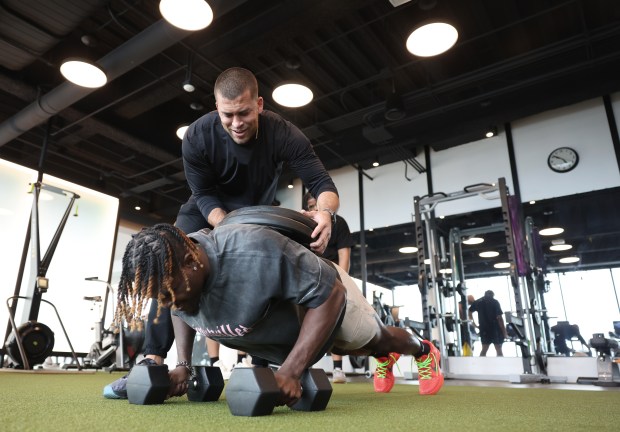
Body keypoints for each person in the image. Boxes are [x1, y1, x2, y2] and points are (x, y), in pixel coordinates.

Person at [104, 67, 339, 398]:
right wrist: (226, 224)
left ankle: (263, 363)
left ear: (259, 104)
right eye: (228, 114)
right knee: (166, 268)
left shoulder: (284, 133)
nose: (236, 122)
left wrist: (325, 213)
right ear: (217, 109)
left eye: (244, 112)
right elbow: (203, 194)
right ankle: (152, 361)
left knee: (268, 272)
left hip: (258, 211)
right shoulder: (198, 136)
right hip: (205, 209)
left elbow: (321, 183)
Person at [114, 223, 444, 404]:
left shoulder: (254, 251)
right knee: (345, 348)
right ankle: (383, 356)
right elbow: (179, 309)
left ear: (192, 263)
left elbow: (332, 295)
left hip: (323, 286)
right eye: (164, 298)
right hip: (291, 318)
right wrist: (183, 366)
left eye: (175, 293)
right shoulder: (176, 275)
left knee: (375, 339)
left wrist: (289, 371)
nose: (173, 302)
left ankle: (424, 351)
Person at [303, 191, 354, 385]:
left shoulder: (339, 223)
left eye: (317, 204)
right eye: (310, 206)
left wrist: (343, 280)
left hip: (332, 274)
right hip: (309, 276)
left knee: (335, 322)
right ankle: (303, 365)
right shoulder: (304, 223)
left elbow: (344, 255)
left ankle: (338, 368)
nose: (315, 209)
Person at [468, 290, 509, 357]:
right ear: (493, 295)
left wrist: (473, 323)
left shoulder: (479, 302)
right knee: (498, 349)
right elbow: (500, 318)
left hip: (484, 329)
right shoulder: (495, 302)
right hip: (494, 328)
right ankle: (500, 364)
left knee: (484, 349)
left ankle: (483, 365)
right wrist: (504, 332)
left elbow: (469, 311)